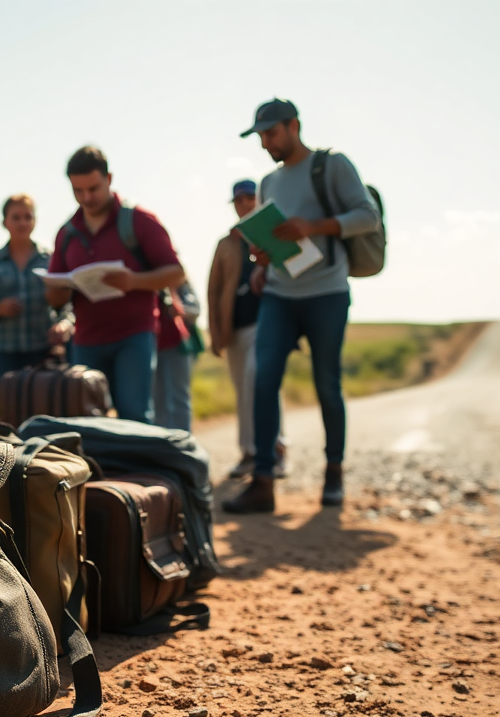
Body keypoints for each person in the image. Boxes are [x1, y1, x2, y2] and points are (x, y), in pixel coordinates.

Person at [223, 99, 380, 513]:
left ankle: (333, 473)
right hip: (279, 293)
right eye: (260, 136)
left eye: (271, 134)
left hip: (326, 293)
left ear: (294, 126)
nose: (265, 143)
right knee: (261, 378)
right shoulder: (268, 183)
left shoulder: (332, 166)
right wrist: (262, 261)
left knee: (327, 383)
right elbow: (273, 239)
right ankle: (263, 481)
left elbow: (368, 217)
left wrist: (314, 226)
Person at [45, 146, 185, 424]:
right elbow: (55, 298)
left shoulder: (139, 221)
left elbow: (176, 273)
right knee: (88, 419)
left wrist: (133, 281)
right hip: (86, 341)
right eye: (78, 191)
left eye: (93, 189)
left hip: (134, 336)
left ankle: (138, 469)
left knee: (134, 415)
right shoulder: (66, 233)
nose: (86, 197)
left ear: (109, 178)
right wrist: (61, 289)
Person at [207, 179, 287, 479]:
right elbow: (214, 290)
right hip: (235, 326)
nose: (245, 204)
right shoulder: (226, 243)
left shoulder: (272, 234)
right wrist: (216, 332)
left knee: (261, 382)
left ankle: (276, 450)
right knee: (243, 390)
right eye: (239, 200)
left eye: (250, 198)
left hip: (267, 321)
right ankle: (249, 453)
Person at [0, 194, 73, 389]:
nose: (22, 223)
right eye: (16, 217)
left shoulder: (50, 259)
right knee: (9, 409)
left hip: (43, 351)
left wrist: (64, 324)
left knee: (43, 410)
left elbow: (68, 304)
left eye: (28, 217)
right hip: (3, 351)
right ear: (5, 222)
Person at [151, 281, 203, 432]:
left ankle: (183, 445)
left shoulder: (180, 283)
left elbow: (196, 309)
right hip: (151, 345)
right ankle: (160, 446)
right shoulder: (144, 276)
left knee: (179, 397)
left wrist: (180, 309)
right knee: (156, 400)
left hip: (177, 343)